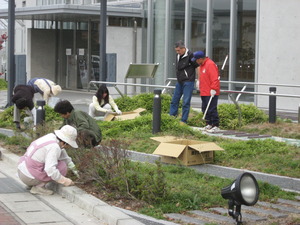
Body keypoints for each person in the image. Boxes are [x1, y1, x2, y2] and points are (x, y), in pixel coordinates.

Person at [17, 125, 79, 195]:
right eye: (69, 145)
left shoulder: (51, 137)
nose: (68, 147)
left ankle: (32, 183)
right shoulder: (55, 147)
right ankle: (38, 187)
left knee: (59, 164)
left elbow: (66, 159)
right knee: (62, 167)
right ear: (64, 142)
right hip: (28, 177)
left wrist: (77, 172)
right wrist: (65, 181)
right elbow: (50, 169)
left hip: (22, 172)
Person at [169, 40, 199, 124]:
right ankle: (172, 117)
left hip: (188, 81)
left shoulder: (191, 55)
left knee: (186, 101)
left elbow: (197, 66)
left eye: (178, 50)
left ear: (183, 48)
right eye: (176, 50)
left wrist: (198, 80)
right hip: (180, 81)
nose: (177, 52)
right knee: (174, 100)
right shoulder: (178, 55)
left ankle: (184, 120)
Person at [192, 51, 220, 132]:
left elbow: (215, 78)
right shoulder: (201, 66)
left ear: (200, 59)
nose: (196, 62)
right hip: (204, 91)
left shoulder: (210, 64)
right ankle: (209, 124)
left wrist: (214, 89)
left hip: (211, 91)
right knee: (205, 108)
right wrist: (199, 82)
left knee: (212, 108)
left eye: (197, 60)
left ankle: (215, 125)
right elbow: (202, 77)